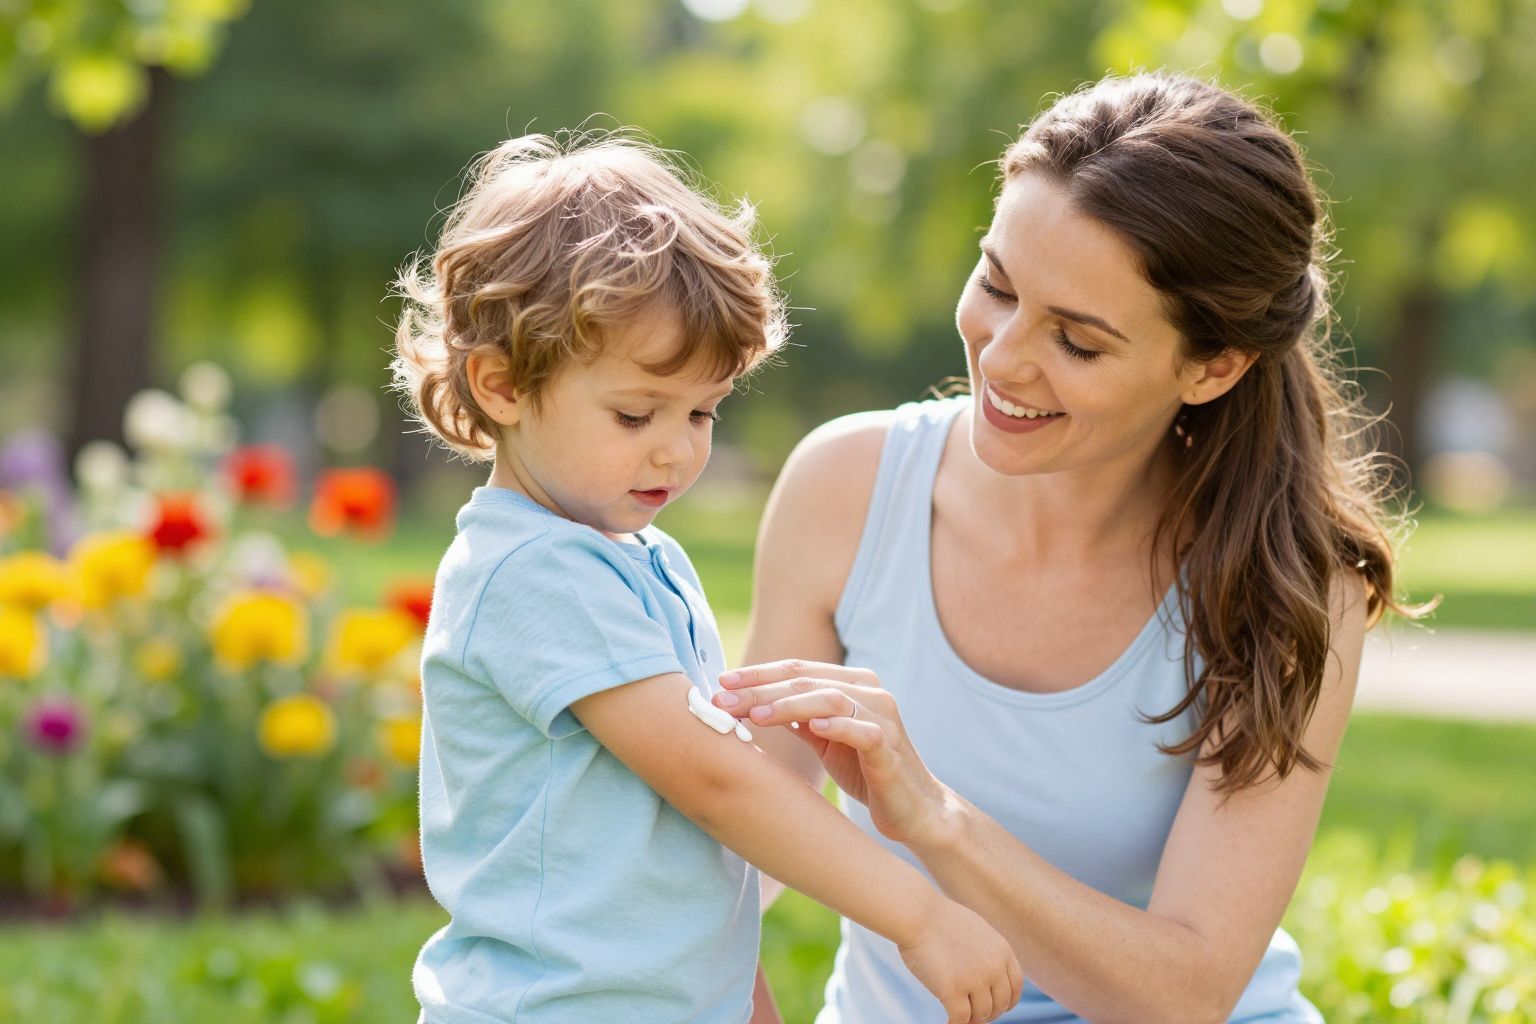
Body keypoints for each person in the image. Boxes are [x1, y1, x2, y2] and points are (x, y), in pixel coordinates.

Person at [714, 73, 1422, 1023]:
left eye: (1078, 342)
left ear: (1212, 366)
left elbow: (1188, 990)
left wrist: (938, 821)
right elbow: (749, 842)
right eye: (997, 284)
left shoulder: (1289, 583)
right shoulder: (843, 487)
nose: (1003, 358)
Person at [391, 134, 1021, 1024]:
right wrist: (915, 914)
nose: (678, 448)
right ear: (500, 386)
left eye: (702, 411)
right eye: (636, 412)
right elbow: (717, 784)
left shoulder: (641, 559)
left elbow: (694, 845)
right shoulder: (535, 572)